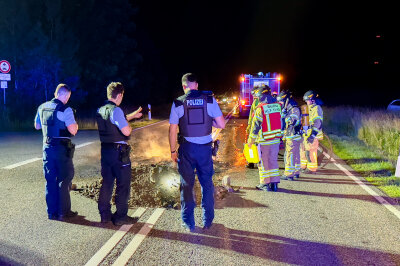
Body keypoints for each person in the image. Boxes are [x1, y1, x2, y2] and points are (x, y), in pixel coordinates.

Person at [169, 73, 225, 232]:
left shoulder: (178, 103)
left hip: (187, 150)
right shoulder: (209, 100)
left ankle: (188, 223)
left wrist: (173, 151)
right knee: (207, 184)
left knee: (187, 185)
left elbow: (173, 130)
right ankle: (208, 221)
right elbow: (221, 123)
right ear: (197, 85)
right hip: (205, 150)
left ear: (183, 86)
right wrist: (211, 121)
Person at [96, 82, 142, 226]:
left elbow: (114, 121)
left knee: (107, 183)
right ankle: (121, 216)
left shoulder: (101, 109)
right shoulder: (116, 110)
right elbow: (126, 131)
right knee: (123, 184)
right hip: (119, 153)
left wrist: (132, 116)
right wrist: (129, 126)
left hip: (106, 151)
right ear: (120, 95)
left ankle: (105, 215)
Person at [34, 83, 79, 220]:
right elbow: (73, 130)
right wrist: (75, 124)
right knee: (65, 179)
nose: (68, 100)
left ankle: (51, 212)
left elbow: (36, 126)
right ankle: (63, 213)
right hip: (61, 149)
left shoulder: (42, 107)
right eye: (68, 97)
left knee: (50, 180)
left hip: (47, 149)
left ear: (56, 93)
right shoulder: (66, 109)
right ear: (65, 95)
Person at [247, 85, 282, 192]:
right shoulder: (278, 106)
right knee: (273, 161)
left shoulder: (260, 109)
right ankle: (274, 183)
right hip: (275, 139)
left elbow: (255, 127)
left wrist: (251, 140)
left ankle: (264, 184)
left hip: (264, 140)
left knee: (263, 162)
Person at [277, 91, 302, 181]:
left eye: (281, 102)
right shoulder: (291, 108)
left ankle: (289, 174)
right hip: (295, 136)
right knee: (295, 155)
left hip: (292, 136)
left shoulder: (293, 109)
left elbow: (293, 122)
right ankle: (295, 172)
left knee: (290, 155)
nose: (281, 104)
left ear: (285, 100)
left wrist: (284, 116)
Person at [300, 90, 323, 174]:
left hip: (312, 134)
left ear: (312, 99)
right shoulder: (308, 108)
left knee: (310, 151)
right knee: (303, 150)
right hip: (306, 133)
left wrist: (312, 135)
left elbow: (318, 123)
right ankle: (303, 166)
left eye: (307, 100)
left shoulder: (317, 108)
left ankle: (312, 169)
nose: (306, 101)